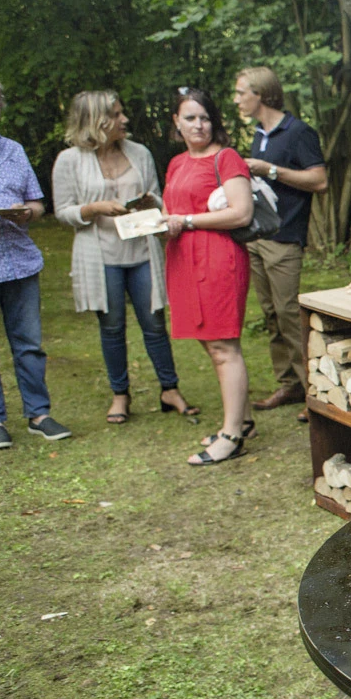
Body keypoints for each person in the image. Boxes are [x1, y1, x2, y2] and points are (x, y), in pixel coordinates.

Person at [51, 91, 197, 425]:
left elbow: (158, 195)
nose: (124, 120)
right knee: (112, 326)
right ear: (97, 121)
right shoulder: (69, 160)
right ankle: (121, 394)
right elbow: (63, 212)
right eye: (117, 115)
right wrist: (94, 208)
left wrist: (150, 201)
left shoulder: (139, 153)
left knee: (154, 322)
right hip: (101, 254)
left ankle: (169, 389)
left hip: (141, 250)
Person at [0, 72, 71, 451]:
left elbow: (38, 203)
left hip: (19, 262)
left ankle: (39, 414)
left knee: (29, 344)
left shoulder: (14, 150)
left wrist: (26, 213)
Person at [161, 87, 253, 466]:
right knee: (207, 342)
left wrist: (186, 220)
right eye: (190, 118)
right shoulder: (176, 163)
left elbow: (241, 213)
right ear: (176, 122)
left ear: (214, 121)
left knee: (223, 347)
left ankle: (231, 435)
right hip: (183, 260)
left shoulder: (227, 158)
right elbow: (172, 210)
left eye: (204, 117)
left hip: (218, 260)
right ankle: (243, 419)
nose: (198, 125)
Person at [231, 67, 327, 424]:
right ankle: (288, 384)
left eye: (242, 92)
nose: (237, 99)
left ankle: (313, 393)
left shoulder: (298, 132)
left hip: (286, 238)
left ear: (262, 94)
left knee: (289, 316)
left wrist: (269, 170)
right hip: (258, 237)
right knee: (271, 315)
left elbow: (319, 180)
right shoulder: (260, 133)